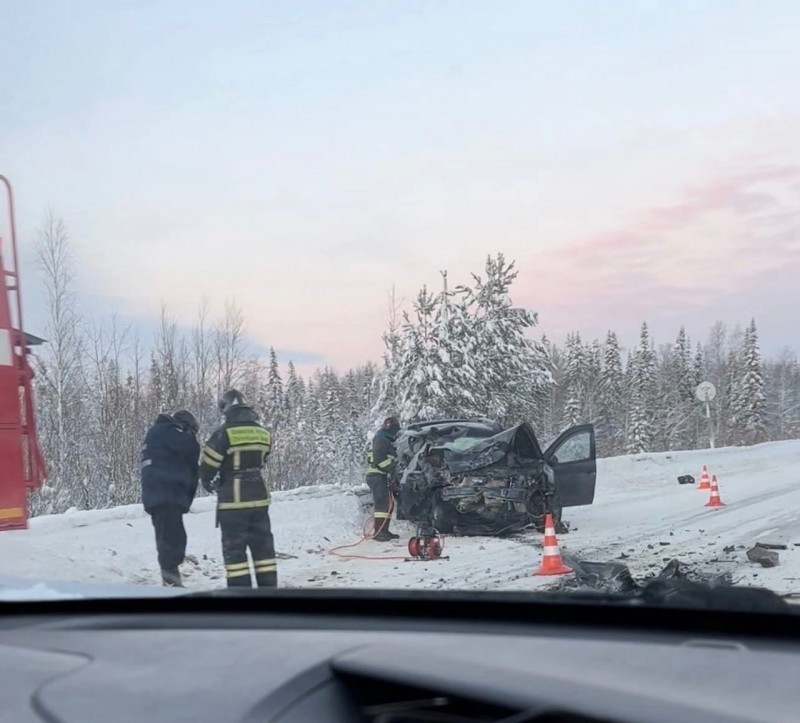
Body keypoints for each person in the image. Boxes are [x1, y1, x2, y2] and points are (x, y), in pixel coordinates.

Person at [200, 389, 277, 588]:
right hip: (260, 498)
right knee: (264, 550)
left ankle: (240, 597)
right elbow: (264, 458)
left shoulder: (222, 434)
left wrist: (207, 481)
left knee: (235, 553)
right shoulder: (263, 432)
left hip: (233, 501)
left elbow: (208, 465)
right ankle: (269, 593)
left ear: (226, 409)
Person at [140, 410, 200, 587]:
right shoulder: (170, 431)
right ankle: (170, 579)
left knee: (171, 533)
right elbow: (191, 448)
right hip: (165, 492)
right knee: (170, 536)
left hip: (158, 493)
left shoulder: (158, 432)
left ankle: (171, 573)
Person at [365, 415, 401, 541]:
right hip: (377, 475)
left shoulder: (387, 439)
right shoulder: (381, 438)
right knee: (382, 505)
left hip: (382, 475)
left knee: (388, 505)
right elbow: (380, 459)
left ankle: (384, 531)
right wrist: (392, 468)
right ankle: (378, 533)